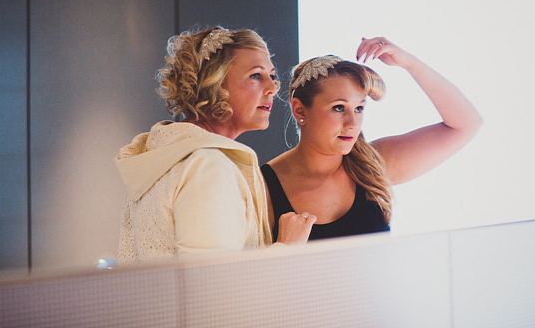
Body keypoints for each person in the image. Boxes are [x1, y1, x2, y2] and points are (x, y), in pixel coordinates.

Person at [115, 26, 315, 264]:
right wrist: (287, 248)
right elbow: (210, 285)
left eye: (272, 76)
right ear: (215, 84)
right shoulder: (207, 166)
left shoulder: (161, 156)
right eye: (256, 75)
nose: (272, 89)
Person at [261, 36, 483, 241]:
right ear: (300, 111)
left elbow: (465, 124)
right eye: (339, 108)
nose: (352, 123)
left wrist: (409, 63)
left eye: (359, 108)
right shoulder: (262, 185)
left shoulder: (372, 165)